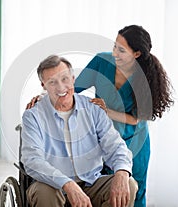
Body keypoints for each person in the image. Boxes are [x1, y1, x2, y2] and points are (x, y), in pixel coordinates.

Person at [74, 25, 174, 207]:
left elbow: (136, 118)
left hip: (134, 141)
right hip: (103, 140)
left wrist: (106, 110)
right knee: (103, 189)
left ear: (136, 54)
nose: (114, 54)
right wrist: (45, 98)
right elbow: (74, 89)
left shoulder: (144, 77)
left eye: (121, 50)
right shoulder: (101, 62)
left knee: (134, 192)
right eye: (114, 47)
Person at [21, 55, 138, 207]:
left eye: (64, 79)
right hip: (53, 186)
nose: (61, 87)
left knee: (129, 184)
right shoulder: (33, 116)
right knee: (45, 192)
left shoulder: (93, 109)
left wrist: (122, 172)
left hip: (91, 183)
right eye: (52, 82)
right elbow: (32, 160)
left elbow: (115, 146)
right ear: (43, 85)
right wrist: (67, 184)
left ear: (73, 78)